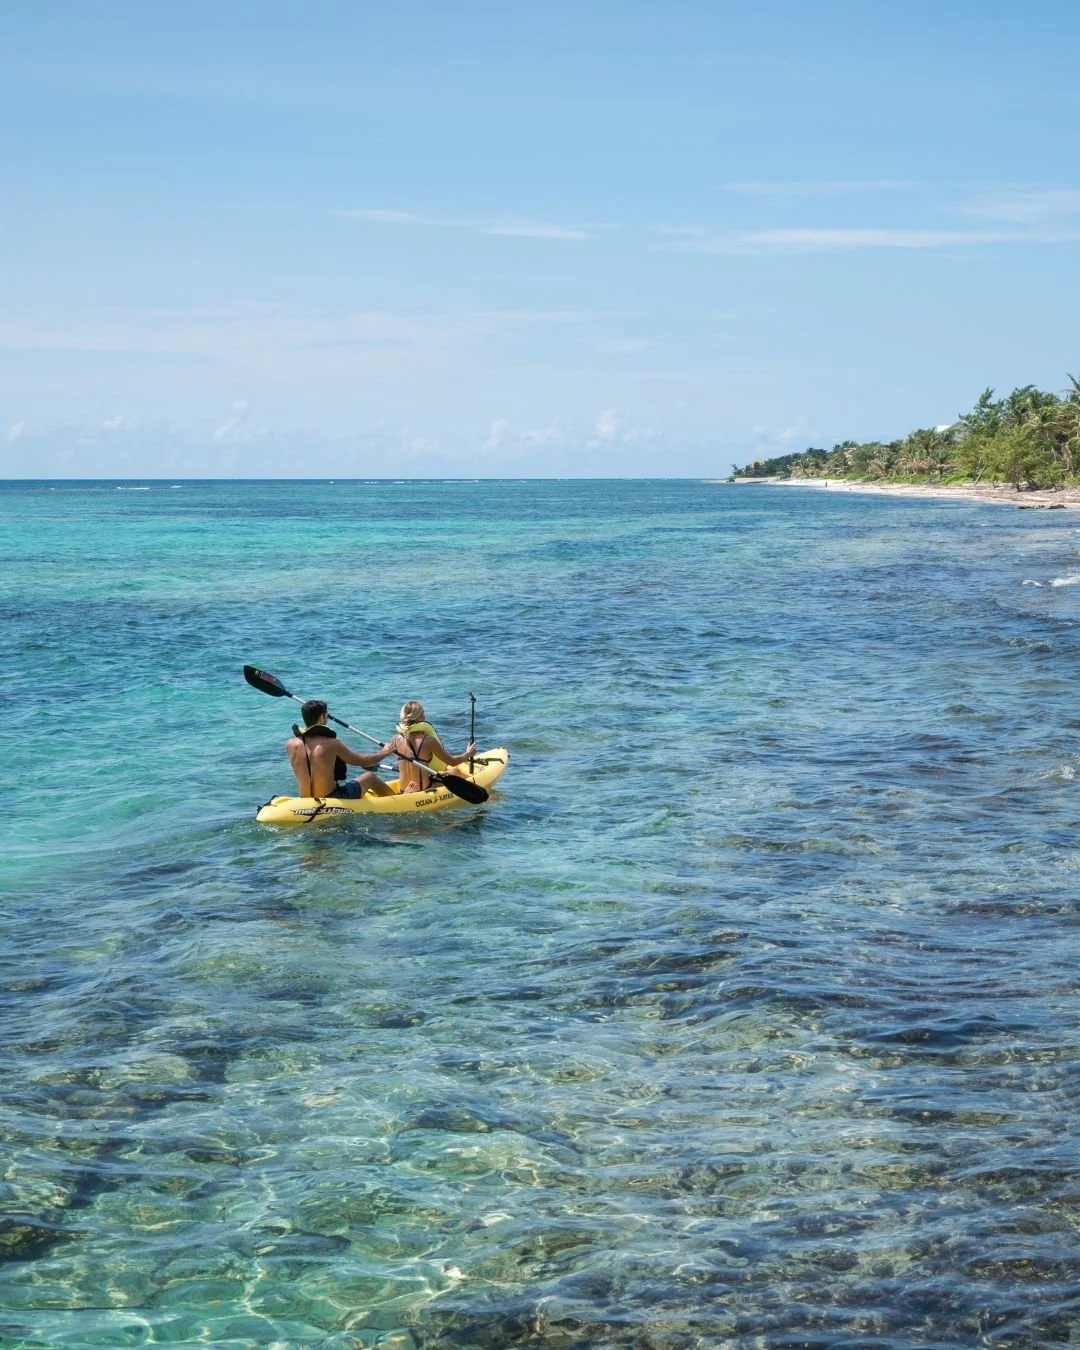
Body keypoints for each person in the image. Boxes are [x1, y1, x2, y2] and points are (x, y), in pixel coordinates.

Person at [286, 699, 394, 799]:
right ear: (322, 717)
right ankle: (399, 800)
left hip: (305, 798)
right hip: (332, 797)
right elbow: (363, 761)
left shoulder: (291, 744)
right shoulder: (332, 744)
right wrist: (384, 752)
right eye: (325, 715)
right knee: (370, 776)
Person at [387, 700, 477, 794]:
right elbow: (452, 762)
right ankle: (475, 783)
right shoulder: (428, 740)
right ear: (422, 717)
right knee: (455, 771)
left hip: (403, 790)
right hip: (423, 790)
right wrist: (468, 754)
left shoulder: (395, 739)